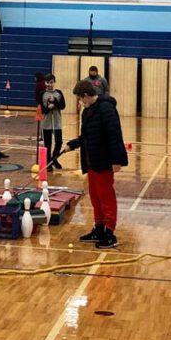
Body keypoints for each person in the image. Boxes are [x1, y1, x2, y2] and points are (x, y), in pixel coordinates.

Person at [62, 80, 128, 249]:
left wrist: (117, 161)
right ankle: (99, 228)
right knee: (95, 196)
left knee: (106, 197)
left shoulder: (106, 109)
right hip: (91, 161)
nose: (79, 102)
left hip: (105, 161)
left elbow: (115, 134)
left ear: (85, 96)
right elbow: (85, 136)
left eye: (79, 98)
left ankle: (109, 233)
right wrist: (72, 145)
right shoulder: (87, 112)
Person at [40, 74, 66, 171]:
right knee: (48, 143)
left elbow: (63, 106)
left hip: (57, 121)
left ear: (54, 82)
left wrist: (54, 101)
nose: (49, 84)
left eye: (51, 82)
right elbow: (41, 109)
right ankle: (48, 163)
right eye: (47, 82)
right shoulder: (42, 93)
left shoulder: (58, 93)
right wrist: (47, 108)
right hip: (46, 122)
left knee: (59, 141)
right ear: (45, 83)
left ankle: (54, 158)